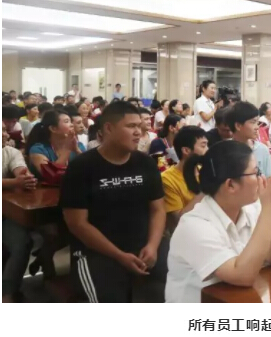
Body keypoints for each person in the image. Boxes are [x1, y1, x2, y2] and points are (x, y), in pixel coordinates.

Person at [60, 102, 165, 303]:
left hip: (144, 246)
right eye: (131, 126)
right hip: (97, 252)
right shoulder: (81, 167)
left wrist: (152, 246)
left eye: (139, 126)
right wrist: (119, 255)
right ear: (108, 128)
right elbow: (77, 224)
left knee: (181, 290)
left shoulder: (145, 163)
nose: (139, 131)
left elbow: (158, 209)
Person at [165, 142, 271, 302]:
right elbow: (242, 276)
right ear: (231, 184)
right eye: (255, 173)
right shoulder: (193, 226)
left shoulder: (251, 209)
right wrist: (270, 208)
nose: (261, 178)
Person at [2, 122, 38, 303]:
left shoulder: (10, 152)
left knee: (21, 242)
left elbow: (20, 172)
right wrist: (13, 183)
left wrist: (24, 178)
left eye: (4, 130)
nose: (5, 135)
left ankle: (7, 294)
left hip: (7, 213)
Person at [163, 126, 208, 233]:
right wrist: (206, 190)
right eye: (203, 146)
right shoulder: (167, 179)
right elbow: (178, 220)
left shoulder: (204, 171)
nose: (207, 150)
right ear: (186, 150)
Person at [27, 110, 86, 180]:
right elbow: (50, 175)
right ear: (53, 128)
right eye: (66, 121)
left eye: (70, 121)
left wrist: (77, 150)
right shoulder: (38, 149)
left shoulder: (78, 145)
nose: (72, 125)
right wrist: (67, 149)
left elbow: (90, 169)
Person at [226, 102, 271, 178]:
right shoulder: (225, 150)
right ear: (238, 126)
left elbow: (269, 179)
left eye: (257, 122)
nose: (257, 127)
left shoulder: (262, 149)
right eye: (253, 122)